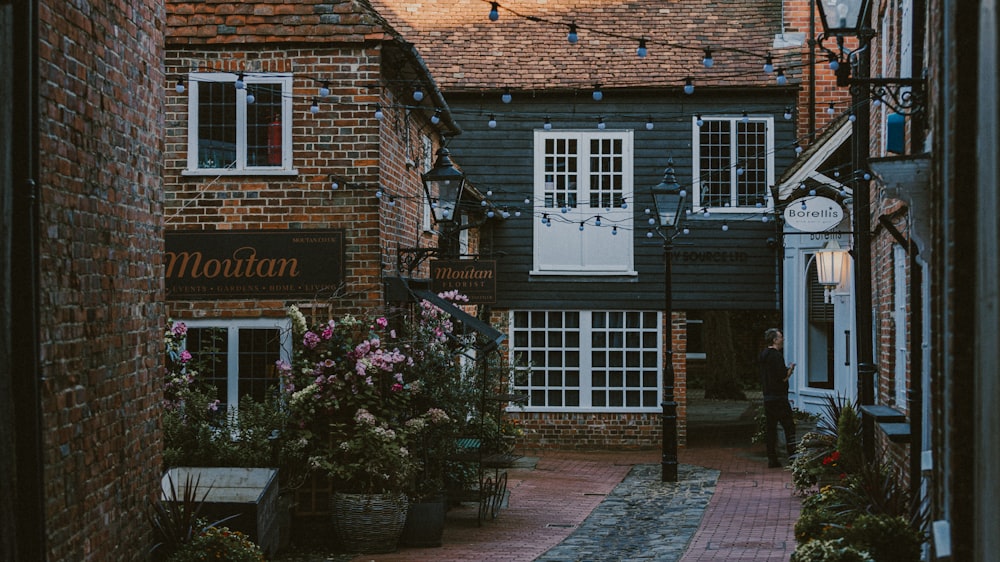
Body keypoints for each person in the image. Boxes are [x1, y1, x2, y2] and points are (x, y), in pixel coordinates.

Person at [759, 328, 796, 468]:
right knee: (789, 427)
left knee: (771, 429)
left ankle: (772, 459)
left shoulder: (763, 355)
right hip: (779, 397)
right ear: (774, 340)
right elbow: (783, 377)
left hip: (768, 396)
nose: (783, 339)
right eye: (780, 337)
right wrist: (790, 370)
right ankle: (793, 457)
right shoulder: (776, 356)